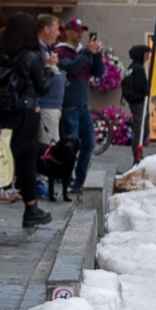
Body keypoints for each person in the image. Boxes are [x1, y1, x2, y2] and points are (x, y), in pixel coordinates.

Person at [0, 13, 53, 230]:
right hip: (25, 113)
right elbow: (42, 87)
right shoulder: (31, 56)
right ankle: (31, 209)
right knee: (27, 162)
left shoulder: (0, 53)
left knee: (0, 159)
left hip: (4, 113)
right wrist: (49, 70)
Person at [54, 18, 101, 195]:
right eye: (76, 30)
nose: (79, 34)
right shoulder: (60, 51)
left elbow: (98, 72)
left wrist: (97, 54)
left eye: (81, 30)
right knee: (70, 147)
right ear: (66, 32)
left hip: (83, 105)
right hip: (69, 105)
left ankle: (80, 180)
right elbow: (72, 68)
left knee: (88, 144)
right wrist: (88, 53)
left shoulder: (83, 52)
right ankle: (68, 179)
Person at [34, 13, 65, 156]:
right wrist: (47, 65)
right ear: (47, 29)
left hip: (52, 105)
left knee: (51, 143)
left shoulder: (46, 48)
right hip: (46, 104)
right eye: (56, 28)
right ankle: (43, 177)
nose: (58, 33)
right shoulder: (38, 50)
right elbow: (36, 76)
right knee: (49, 147)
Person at [122, 43, 152, 161]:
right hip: (139, 102)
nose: (147, 57)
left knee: (139, 128)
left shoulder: (131, 67)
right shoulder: (138, 68)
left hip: (133, 101)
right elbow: (140, 87)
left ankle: (138, 154)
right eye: (146, 54)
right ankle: (137, 156)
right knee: (140, 129)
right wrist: (148, 88)